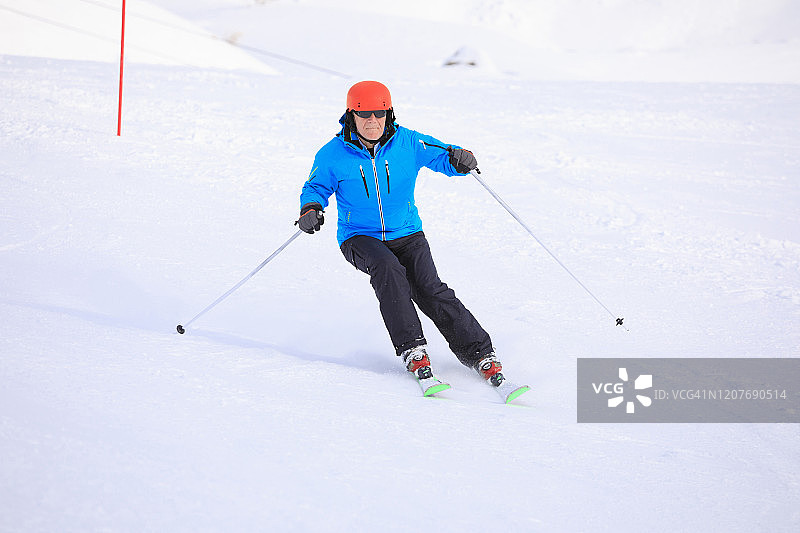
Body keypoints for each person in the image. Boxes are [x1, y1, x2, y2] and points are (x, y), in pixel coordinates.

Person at [296, 80, 506, 388]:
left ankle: (480, 354)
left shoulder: (408, 142)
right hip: (359, 236)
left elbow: (443, 154)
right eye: (364, 114)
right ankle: (413, 350)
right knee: (388, 269)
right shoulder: (332, 154)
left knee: (429, 289)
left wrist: (460, 159)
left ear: (389, 114)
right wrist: (310, 208)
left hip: (407, 233)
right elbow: (315, 187)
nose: (372, 121)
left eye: (379, 114)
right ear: (351, 115)